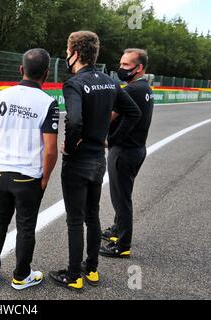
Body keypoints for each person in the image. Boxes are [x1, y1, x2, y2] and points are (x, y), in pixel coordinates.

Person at [49, 31, 141, 292]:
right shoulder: (110, 82)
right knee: (92, 215)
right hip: (98, 161)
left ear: (75, 53)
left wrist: (72, 141)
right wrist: (110, 139)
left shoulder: (74, 84)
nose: (66, 56)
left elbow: (75, 120)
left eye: (68, 51)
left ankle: (74, 275)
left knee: (75, 219)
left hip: (78, 161)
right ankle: (92, 270)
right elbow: (132, 111)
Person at [0, 48, 59, 290]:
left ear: (21, 69)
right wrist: (45, 177)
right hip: (28, 177)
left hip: (1, 172)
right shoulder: (49, 103)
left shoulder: (1, 95)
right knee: (26, 227)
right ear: (46, 73)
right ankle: (21, 276)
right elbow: (50, 149)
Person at [100, 49, 154, 258]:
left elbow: (108, 116)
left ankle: (122, 245)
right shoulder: (144, 87)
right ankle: (116, 230)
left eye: (125, 65)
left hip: (124, 151)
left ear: (139, 68)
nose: (120, 69)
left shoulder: (131, 90)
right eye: (120, 64)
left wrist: (108, 140)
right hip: (137, 148)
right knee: (123, 194)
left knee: (121, 199)